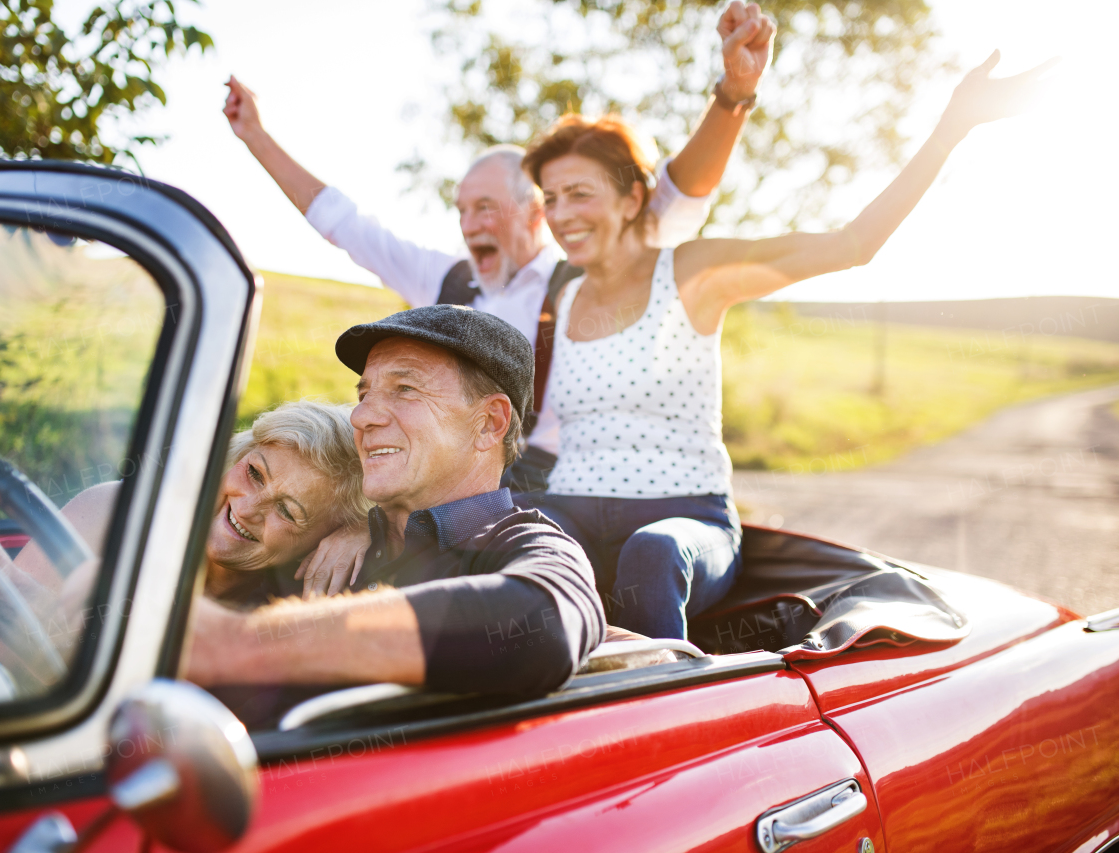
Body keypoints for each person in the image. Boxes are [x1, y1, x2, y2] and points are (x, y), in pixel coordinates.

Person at [517, 50, 1058, 641]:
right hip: (572, 507)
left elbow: (854, 243)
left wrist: (953, 126)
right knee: (483, 531)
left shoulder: (692, 273)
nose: (562, 214)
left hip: (682, 522)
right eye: (551, 198)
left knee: (652, 552)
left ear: (632, 200)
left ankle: (657, 708)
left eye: (579, 193)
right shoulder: (561, 302)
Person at [222, 2, 777, 497]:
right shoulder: (449, 283)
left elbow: (676, 199)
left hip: (550, 483)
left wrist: (733, 93)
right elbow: (345, 224)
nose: (469, 224)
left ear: (537, 211)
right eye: (461, 210)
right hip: (452, 476)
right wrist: (256, 137)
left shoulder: (590, 278)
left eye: (485, 208)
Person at [185, 306, 605, 701]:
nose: (362, 416)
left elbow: (542, 623)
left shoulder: (524, 545)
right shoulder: (322, 531)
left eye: (405, 389)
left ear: (489, 423)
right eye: (365, 392)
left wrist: (239, 643)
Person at [0, 401, 375, 696]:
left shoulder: (287, 610)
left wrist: (364, 529)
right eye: (254, 473)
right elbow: (0, 660)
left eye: (288, 512)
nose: (247, 509)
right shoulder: (115, 510)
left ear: (317, 545)